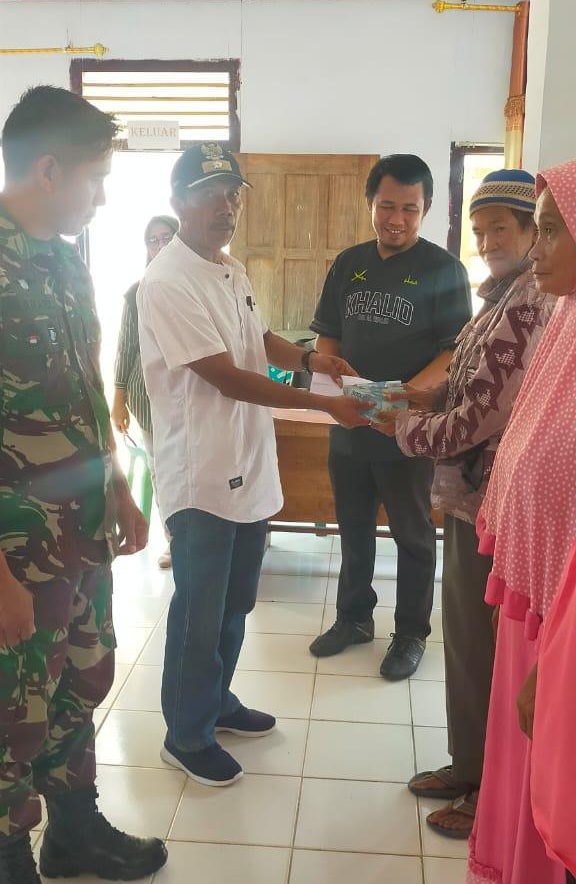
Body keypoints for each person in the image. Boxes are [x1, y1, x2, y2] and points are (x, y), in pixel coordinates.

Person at [137, 142, 370, 788]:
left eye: (233, 192)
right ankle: (184, 735)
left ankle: (218, 703)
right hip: (201, 475)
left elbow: (256, 338)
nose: (226, 204)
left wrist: (310, 360)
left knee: (237, 602)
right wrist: (326, 408)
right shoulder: (166, 282)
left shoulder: (230, 270)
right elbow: (226, 377)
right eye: (211, 192)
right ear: (180, 199)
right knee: (200, 609)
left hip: (247, 464)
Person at [0, 86, 168, 884]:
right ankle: (10, 874)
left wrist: (121, 486)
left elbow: (82, 391)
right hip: (14, 553)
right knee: (8, 718)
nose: (102, 197)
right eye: (96, 179)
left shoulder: (63, 260)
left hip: (82, 532)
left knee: (79, 684)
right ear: (47, 168)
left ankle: (73, 833)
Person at [374, 169, 554, 837]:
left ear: (534, 230)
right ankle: (468, 764)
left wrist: (398, 423)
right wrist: (425, 399)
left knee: (490, 649)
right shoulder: (502, 294)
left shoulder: (533, 298)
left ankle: (493, 790)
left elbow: (479, 415)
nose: (486, 241)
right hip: (471, 498)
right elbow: (469, 386)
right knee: (467, 643)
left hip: (499, 507)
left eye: (499, 227)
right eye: (478, 230)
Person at [452, 161, 576, 884]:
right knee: (519, 794)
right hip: (532, 604)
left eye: (549, 227)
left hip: (566, 632)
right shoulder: (563, 320)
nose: (535, 246)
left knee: (552, 818)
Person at [308, 153, 472, 681]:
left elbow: (453, 353)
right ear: (371, 204)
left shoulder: (445, 270)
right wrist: (330, 379)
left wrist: (405, 398)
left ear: (425, 209)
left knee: (413, 534)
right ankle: (354, 618)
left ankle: (410, 633)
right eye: (386, 206)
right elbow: (328, 333)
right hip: (350, 425)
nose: (395, 218)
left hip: (408, 432)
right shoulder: (348, 262)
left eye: (409, 208)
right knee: (352, 528)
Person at [111, 213, 179, 569]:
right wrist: (118, 399)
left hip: (188, 401)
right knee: (161, 472)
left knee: (187, 471)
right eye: (153, 239)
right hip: (147, 401)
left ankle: (192, 538)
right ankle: (173, 541)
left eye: (167, 237)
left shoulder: (194, 286)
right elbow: (126, 349)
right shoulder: (136, 292)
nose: (160, 245)